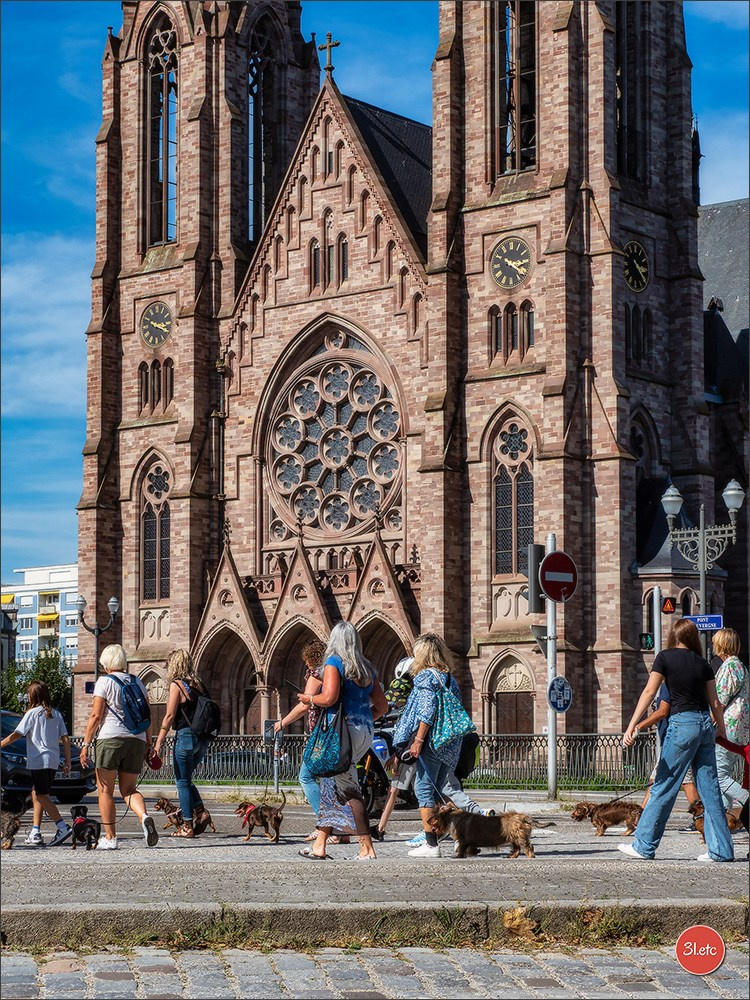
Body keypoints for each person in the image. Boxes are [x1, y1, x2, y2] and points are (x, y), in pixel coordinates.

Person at [619, 619, 733, 863]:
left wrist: (631, 725)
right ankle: (722, 850)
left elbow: (649, 692)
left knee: (664, 784)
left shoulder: (664, 657)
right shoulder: (703, 663)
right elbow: (714, 703)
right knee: (710, 789)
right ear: (693, 638)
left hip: (682, 724)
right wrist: (720, 730)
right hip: (704, 725)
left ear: (673, 637)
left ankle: (644, 846)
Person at [298, 621, 388, 861]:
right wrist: (364, 720)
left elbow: (329, 697)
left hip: (341, 734)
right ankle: (320, 844)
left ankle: (366, 847)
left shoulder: (334, 663)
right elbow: (382, 706)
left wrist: (309, 699)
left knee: (348, 788)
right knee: (331, 785)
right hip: (364, 730)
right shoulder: (366, 667)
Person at [393, 632, 472, 858]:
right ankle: (460, 837)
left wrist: (417, 740)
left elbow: (426, 712)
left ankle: (431, 844)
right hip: (450, 742)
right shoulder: (448, 678)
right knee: (440, 792)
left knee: (425, 789)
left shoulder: (426, 677)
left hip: (433, 742)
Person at [274, 639, 355, 844]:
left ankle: (328, 826)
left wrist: (281, 723)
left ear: (310, 659)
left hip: (323, 734)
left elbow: (304, 705)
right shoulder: (339, 671)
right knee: (331, 782)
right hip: (341, 731)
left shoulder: (317, 674)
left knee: (306, 776)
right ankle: (339, 830)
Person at [80, 644, 159, 850]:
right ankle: (144, 817)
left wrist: (86, 744)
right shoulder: (137, 682)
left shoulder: (104, 681)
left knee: (105, 790)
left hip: (110, 739)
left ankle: (110, 837)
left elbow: (96, 716)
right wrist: (148, 743)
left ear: (106, 663)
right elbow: (147, 716)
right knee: (129, 789)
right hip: (137, 739)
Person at [0, 681, 72, 847]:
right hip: (53, 760)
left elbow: (17, 734)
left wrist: (1, 744)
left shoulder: (32, 713)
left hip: (39, 760)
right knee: (36, 792)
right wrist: (67, 761)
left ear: (32, 696)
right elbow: (66, 739)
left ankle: (62, 826)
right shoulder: (56, 714)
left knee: (42, 795)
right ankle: (35, 831)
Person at [153, 649, 213, 838]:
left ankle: (187, 826)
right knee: (186, 780)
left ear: (174, 665)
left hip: (185, 737)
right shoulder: (199, 685)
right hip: (202, 740)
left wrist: (158, 742)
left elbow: (170, 715)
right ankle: (201, 811)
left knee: (182, 782)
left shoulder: (177, 686)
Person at [635, 683, 701, 823]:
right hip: (669, 741)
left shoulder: (668, 685)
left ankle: (700, 818)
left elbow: (662, 711)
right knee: (654, 780)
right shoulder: (668, 685)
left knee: (686, 781)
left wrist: (639, 726)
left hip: (676, 741)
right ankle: (641, 816)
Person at [712, 628, 749, 812]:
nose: (713, 645)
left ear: (722, 644)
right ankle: (725, 817)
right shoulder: (740, 665)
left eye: (715, 642)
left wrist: (709, 721)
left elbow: (720, 700)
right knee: (724, 773)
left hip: (727, 728)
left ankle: (746, 800)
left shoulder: (729, 666)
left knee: (719, 775)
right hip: (739, 729)